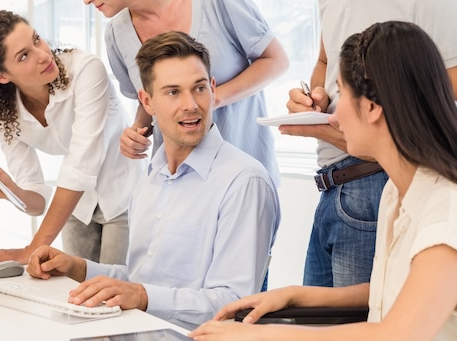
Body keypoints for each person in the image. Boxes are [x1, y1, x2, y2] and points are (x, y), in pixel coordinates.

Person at [190, 21, 457, 340]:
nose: (334, 115)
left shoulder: (449, 211)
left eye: (341, 94)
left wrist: (260, 335)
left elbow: (397, 335)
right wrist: (295, 295)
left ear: (371, 106)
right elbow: (395, 289)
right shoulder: (400, 188)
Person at [26, 30, 280, 330]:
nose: (191, 105)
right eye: (173, 92)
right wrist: (79, 268)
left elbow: (234, 304)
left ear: (212, 89)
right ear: (147, 102)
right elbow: (142, 280)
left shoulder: (244, 182)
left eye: (199, 88)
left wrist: (142, 296)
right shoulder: (150, 177)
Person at [284, 0, 457, 287]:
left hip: (378, 181)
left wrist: (381, 142)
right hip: (333, 188)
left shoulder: (444, 7)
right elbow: (326, 62)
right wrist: (317, 97)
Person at [0, 10, 144, 265]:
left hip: (124, 195)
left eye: (37, 40)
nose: (43, 55)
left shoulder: (86, 70)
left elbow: (80, 165)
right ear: (1, 76)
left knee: (112, 291)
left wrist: (33, 247)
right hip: (76, 208)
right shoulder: (7, 113)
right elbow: (37, 202)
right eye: (24, 56)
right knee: (75, 293)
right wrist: (11, 189)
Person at [83, 0, 288, 188]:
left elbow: (276, 61)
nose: (86, 1)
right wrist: (138, 129)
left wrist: (213, 98)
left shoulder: (218, 4)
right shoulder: (116, 34)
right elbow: (147, 100)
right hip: (176, 183)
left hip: (243, 177)